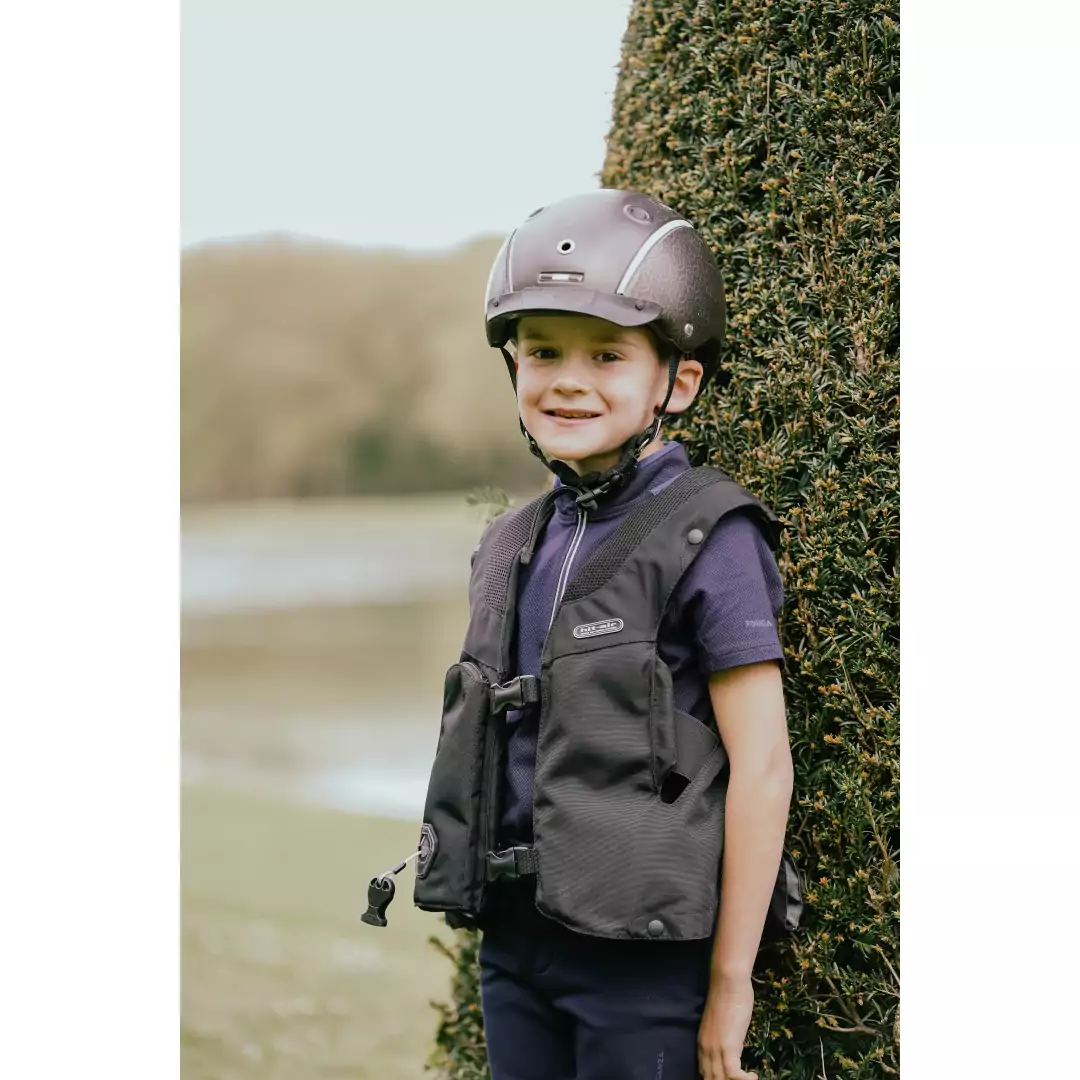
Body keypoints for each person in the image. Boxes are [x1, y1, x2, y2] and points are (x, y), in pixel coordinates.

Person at [416, 189, 795, 1080]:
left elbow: (763, 766)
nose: (567, 379)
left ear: (678, 382)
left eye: (607, 354)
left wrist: (730, 984)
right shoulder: (510, 543)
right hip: (515, 955)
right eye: (542, 351)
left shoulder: (712, 537)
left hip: (642, 968)